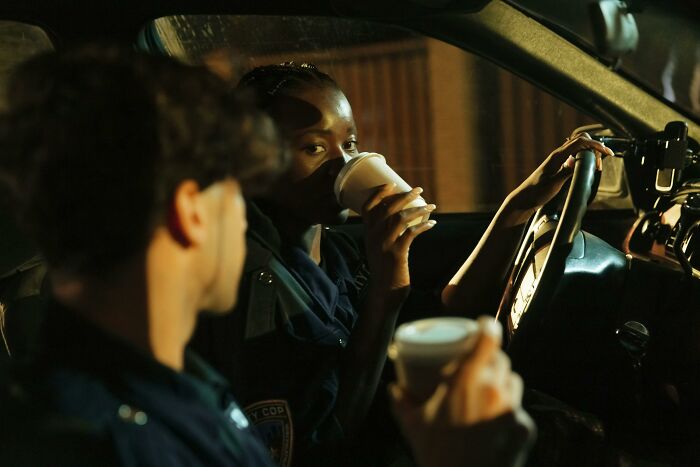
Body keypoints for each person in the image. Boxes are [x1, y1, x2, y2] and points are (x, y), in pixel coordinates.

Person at [191, 61, 612, 465]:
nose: (345, 163)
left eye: (350, 143)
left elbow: (435, 319)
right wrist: (387, 290)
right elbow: (322, 443)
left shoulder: (332, 250)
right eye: (314, 147)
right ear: (251, 163)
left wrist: (519, 205)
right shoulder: (252, 285)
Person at [0, 45, 286, 466]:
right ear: (190, 213)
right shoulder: (114, 446)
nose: (245, 222)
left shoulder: (169, 384)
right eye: (235, 192)